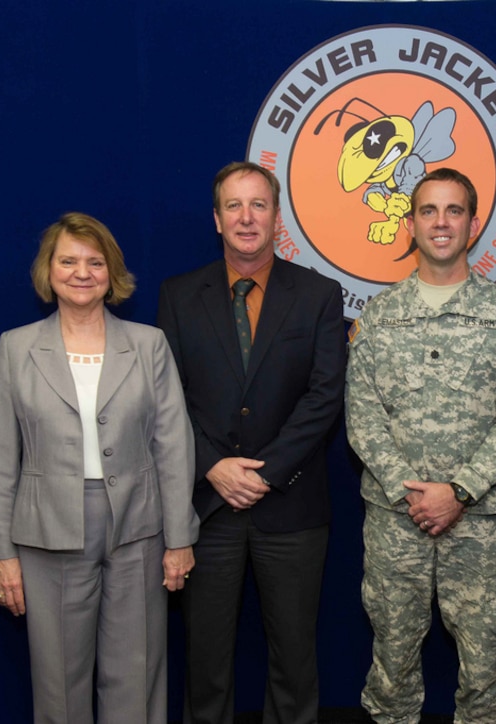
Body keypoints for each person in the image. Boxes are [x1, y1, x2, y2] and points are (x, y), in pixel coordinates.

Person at [346, 167, 496, 724]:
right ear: (410, 223)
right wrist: (411, 492)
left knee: (486, 669)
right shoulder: (380, 316)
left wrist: (458, 491)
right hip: (396, 520)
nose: (441, 223)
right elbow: (361, 415)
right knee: (391, 657)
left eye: (453, 211)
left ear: (474, 224)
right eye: (428, 211)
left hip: (480, 523)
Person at [0, 212, 198, 724]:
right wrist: (2, 555)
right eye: (69, 261)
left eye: (95, 262)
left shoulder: (149, 345)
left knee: (137, 671)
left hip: (139, 530)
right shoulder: (16, 349)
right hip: (46, 533)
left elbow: (173, 446)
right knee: (58, 681)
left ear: (112, 272)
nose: (82, 272)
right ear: (49, 271)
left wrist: (179, 538)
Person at [157, 161, 347, 724]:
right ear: (216, 219)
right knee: (206, 662)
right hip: (207, 510)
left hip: (292, 508)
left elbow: (324, 396)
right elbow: (168, 398)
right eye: (234, 207)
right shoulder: (178, 295)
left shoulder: (317, 294)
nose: (247, 217)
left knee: (293, 660)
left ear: (276, 217)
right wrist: (213, 466)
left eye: (258, 205)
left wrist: (264, 473)